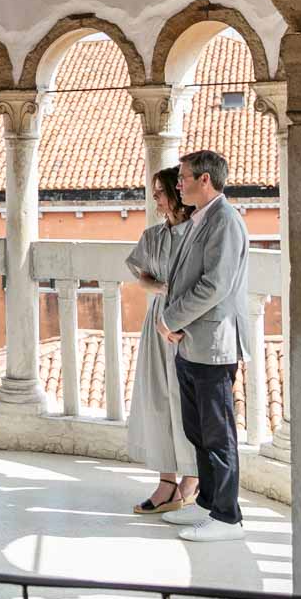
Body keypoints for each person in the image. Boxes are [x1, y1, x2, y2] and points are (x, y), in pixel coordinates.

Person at [155, 149, 253, 543]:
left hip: (213, 345)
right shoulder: (202, 218)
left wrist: (170, 320)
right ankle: (207, 502)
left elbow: (215, 285)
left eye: (183, 177)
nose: (178, 184)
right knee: (198, 432)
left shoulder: (225, 221)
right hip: (191, 345)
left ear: (205, 180)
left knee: (218, 436)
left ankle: (228, 517)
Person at [124, 166, 198, 514]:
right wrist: (160, 288)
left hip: (190, 322)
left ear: (175, 191)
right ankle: (167, 480)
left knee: (186, 401)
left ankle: (194, 478)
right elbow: (143, 276)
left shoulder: (199, 232)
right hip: (157, 322)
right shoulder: (153, 236)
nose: (155, 198)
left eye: (160, 191)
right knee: (157, 398)